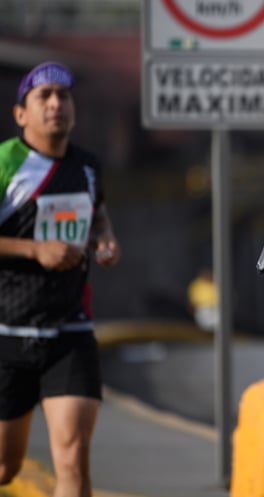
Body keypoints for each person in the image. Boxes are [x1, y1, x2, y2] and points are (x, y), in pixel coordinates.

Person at [0, 62, 121, 497]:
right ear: (21, 114)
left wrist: (105, 239)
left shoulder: (87, 166)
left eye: (64, 95)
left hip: (70, 331)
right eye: (44, 96)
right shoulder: (5, 163)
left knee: (71, 457)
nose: (56, 104)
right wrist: (35, 249)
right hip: (7, 333)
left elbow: (98, 214)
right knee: (5, 467)